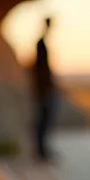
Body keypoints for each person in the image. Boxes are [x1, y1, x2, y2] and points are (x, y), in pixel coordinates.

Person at [31, 17, 56, 162]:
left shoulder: (42, 43)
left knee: (45, 118)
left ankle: (42, 149)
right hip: (42, 89)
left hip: (43, 87)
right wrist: (44, 87)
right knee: (43, 118)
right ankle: (40, 150)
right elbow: (40, 70)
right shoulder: (41, 44)